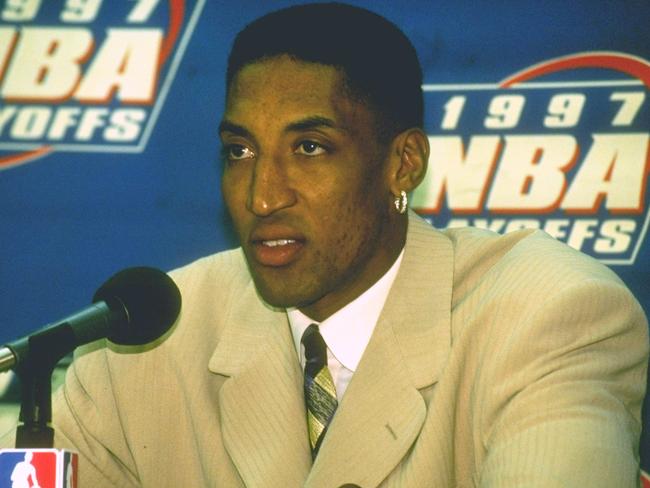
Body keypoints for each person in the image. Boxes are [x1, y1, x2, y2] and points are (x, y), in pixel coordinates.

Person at [2, 3, 648, 486]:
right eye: (239, 151)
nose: (262, 196)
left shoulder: (547, 314)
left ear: (403, 164)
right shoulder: (145, 342)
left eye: (309, 148)